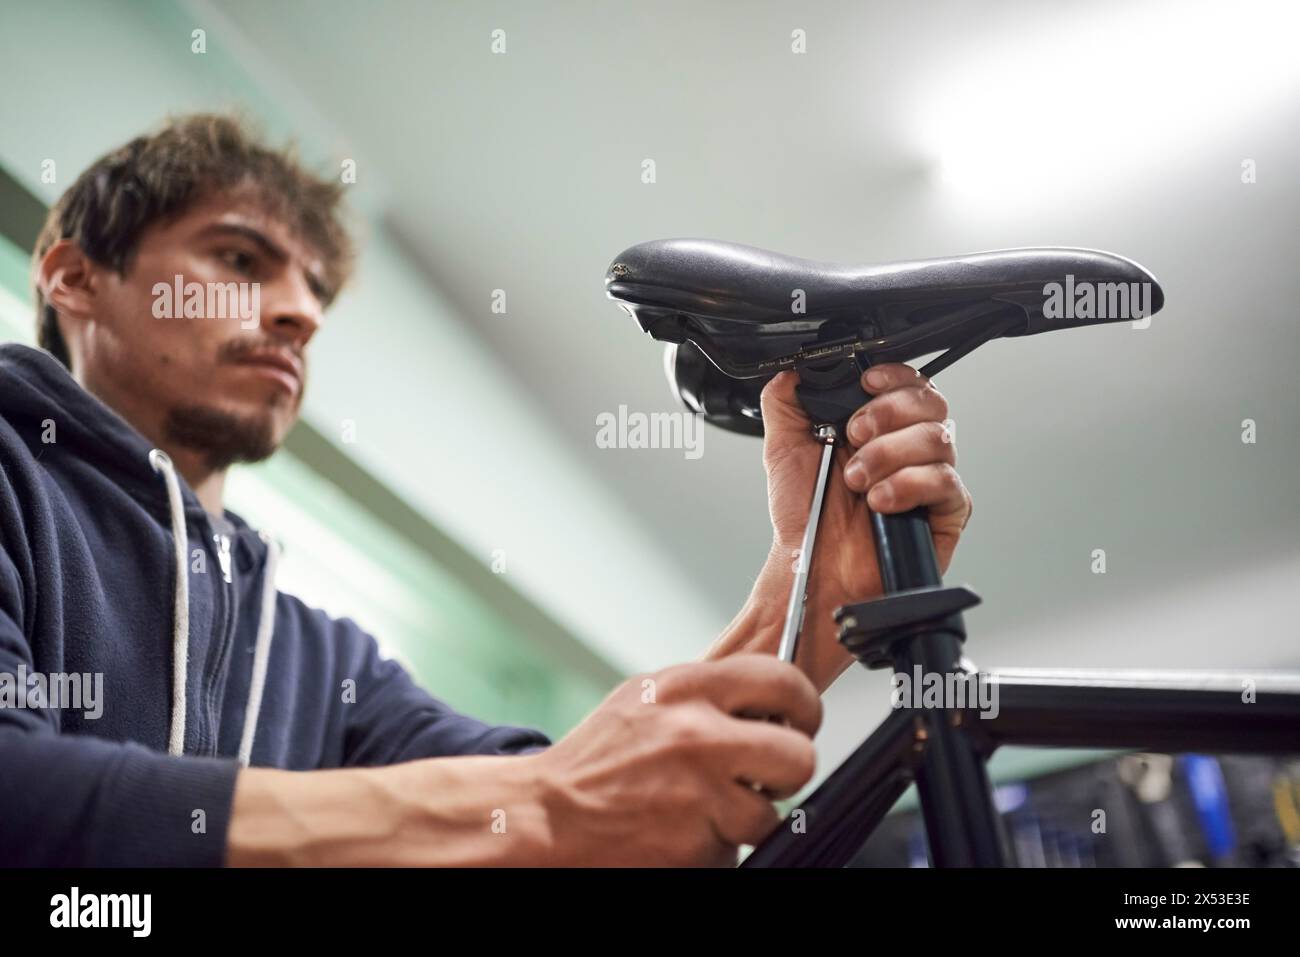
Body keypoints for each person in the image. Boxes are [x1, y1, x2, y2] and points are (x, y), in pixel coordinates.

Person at [0, 114, 973, 866]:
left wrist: (806, 592)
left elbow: (572, 811)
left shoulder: (314, 652)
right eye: (239, 260)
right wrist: (550, 808)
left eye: (315, 291)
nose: (299, 313)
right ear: (75, 277)